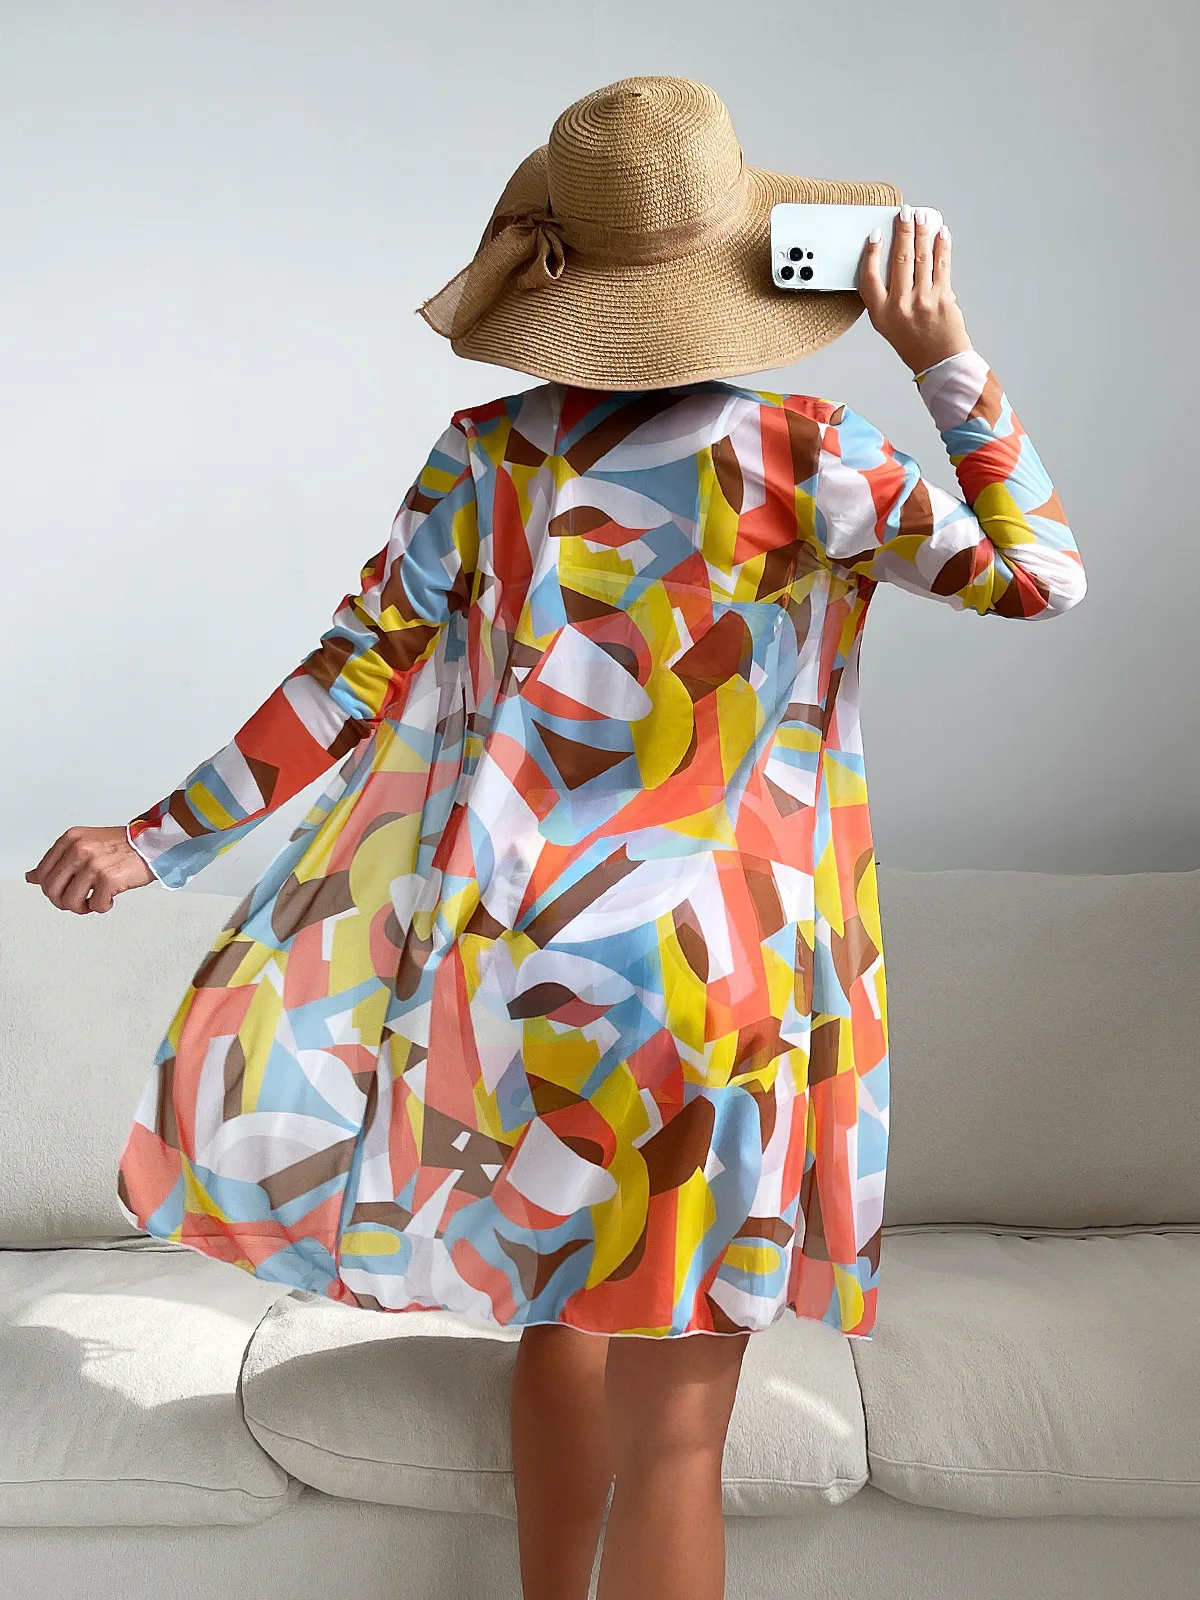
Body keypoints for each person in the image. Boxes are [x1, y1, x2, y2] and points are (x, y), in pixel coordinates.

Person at [27, 75, 1085, 1600]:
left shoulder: (487, 458)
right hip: (713, 988)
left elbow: (342, 681)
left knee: (560, 1330)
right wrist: (944, 354)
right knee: (677, 1443)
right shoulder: (809, 453)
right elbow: (1040, 578)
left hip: (530, 979)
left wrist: (153, 839)